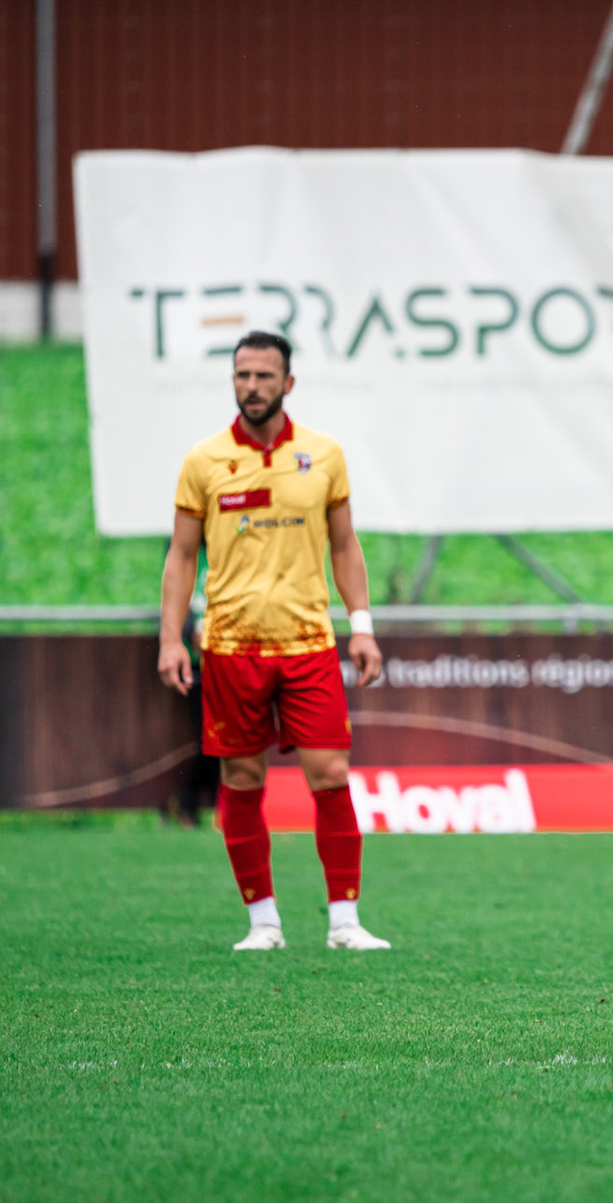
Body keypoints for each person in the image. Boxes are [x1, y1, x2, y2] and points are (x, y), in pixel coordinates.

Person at [157, 330, 389, 952]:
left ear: (288, 383)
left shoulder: (323, 454)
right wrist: (170, 641)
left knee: (331, 774)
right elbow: (182, 557)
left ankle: (345, 923)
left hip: (308, 640)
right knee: (240, 780)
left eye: (263, 376)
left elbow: (344, 545)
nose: (251, 386)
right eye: (242, 375)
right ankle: (263, 923)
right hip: (231, 645)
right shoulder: (204, 461)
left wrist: (360, 626)